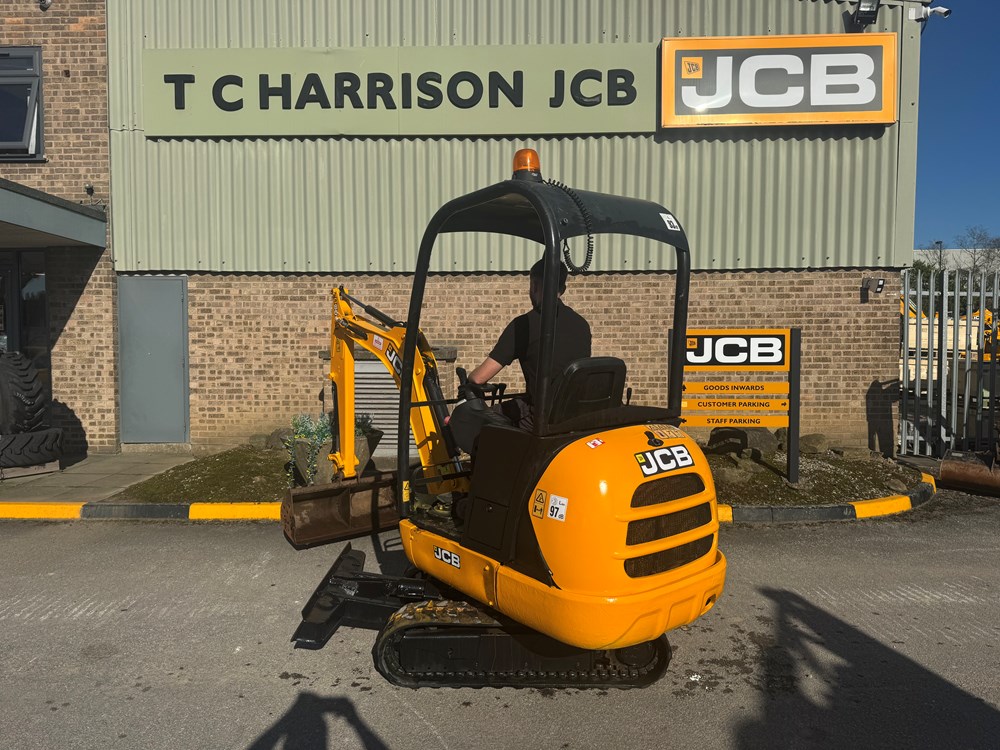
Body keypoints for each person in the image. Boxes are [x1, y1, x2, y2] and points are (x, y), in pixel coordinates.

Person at [468, 258, 591, 429]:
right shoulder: (581, 324)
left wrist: (468, 380)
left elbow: (480, 377)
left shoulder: (524, 324)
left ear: (534, 285)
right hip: (575, 415)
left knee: (473, 420)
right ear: (562, 289)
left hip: (540, 418)